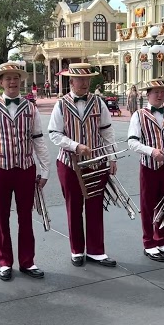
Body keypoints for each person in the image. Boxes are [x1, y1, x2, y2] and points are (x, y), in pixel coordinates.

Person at [0, 62, 51, 281]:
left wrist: (45, 170)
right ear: (0, 81)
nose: (12, 82)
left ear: (21, 80)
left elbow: (38, 140)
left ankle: (28, 261)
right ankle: (5, 262)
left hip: (25, 168)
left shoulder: (30, 108)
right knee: (1, 217)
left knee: (26, 216)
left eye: (15, 78)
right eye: (7, 78)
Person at [48, 62, 118, 268]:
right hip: (70, 163)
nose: (85, 83)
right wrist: (75, 146)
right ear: (72, 81)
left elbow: (107, 131)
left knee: (95, 206)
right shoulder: (61, 104)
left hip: (96, 162)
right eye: (80, 79)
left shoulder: (98, 102)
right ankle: (77, 250)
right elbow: (54, 134)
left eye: (88, 79)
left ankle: (97, 251)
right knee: (74, 206)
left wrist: (112, 157)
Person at [128, 79, 164, 261]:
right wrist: (151, 151)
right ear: (148, 94)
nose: (160, 95)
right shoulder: (139, 115)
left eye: (162, 92)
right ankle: (149, 242)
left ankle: (161, 240)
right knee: (147, 205)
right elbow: (132, 142)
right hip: (149, 166)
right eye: (156, 92)